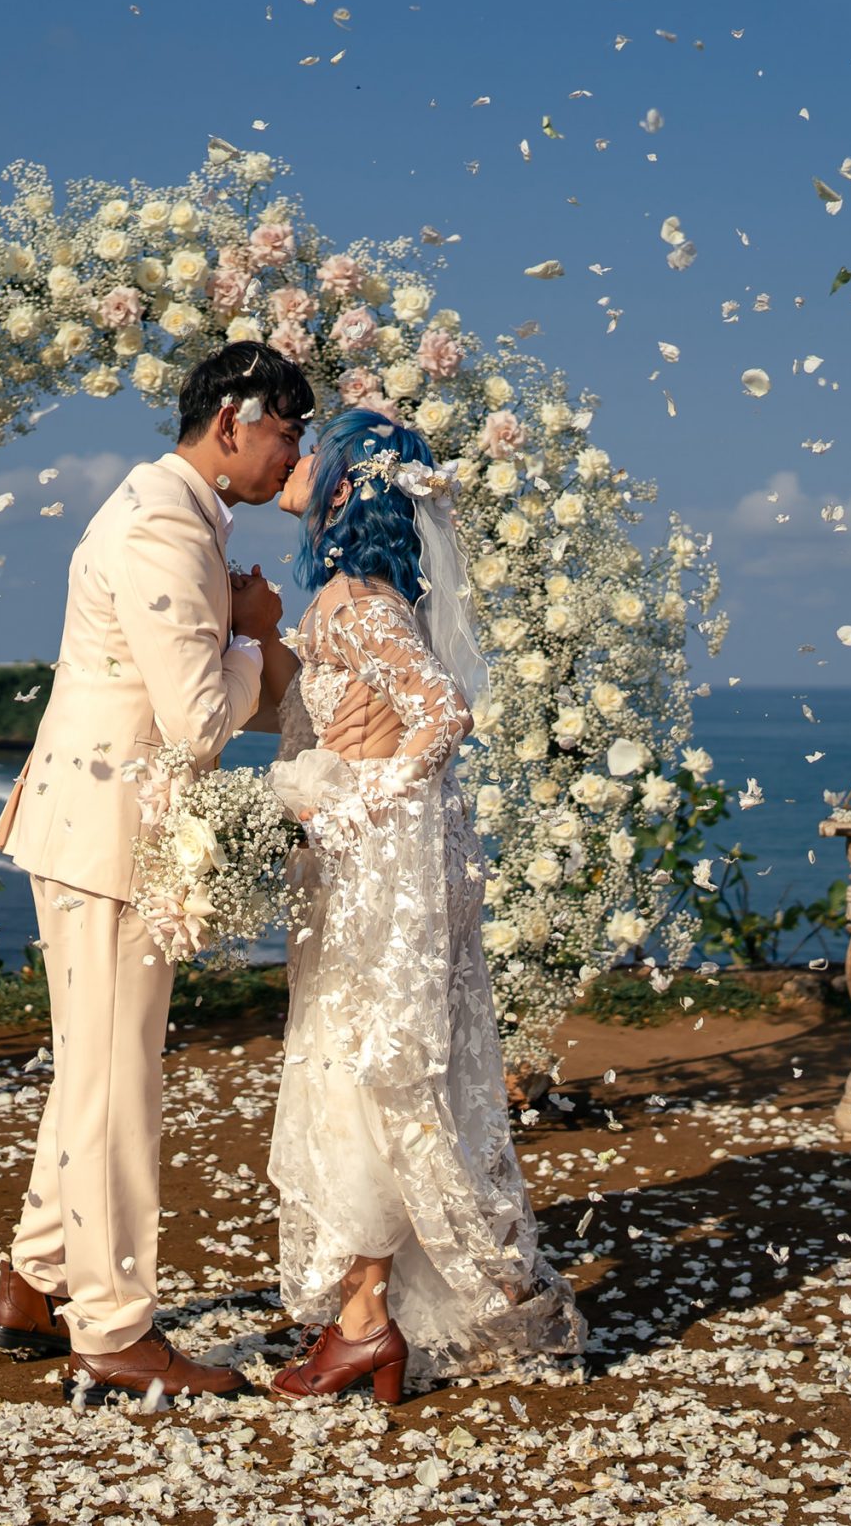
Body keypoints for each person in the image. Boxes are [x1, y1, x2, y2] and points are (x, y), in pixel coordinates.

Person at [0, 340, 312, 1400]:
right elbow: (199, 720)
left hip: (93, 824)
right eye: (285, 430)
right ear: (232, 421)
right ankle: (114, 1331)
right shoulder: (165, 523)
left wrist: (239, 630)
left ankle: (32, 1286)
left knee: (94, 1064)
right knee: (116, 1082)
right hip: (110, 835)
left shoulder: (170, 512)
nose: (291, 453)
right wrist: (262, 640)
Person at [261, 407, 586, 1403]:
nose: (297, 457)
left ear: (349, 485)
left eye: (316, 447)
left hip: (381, 872)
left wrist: (360, 803)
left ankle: (375, 1323)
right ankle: (382, 1315)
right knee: (368, 1070)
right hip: (364, 865)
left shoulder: (359, 602)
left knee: (379, 1074)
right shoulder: (346, 600)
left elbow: (444, 712)